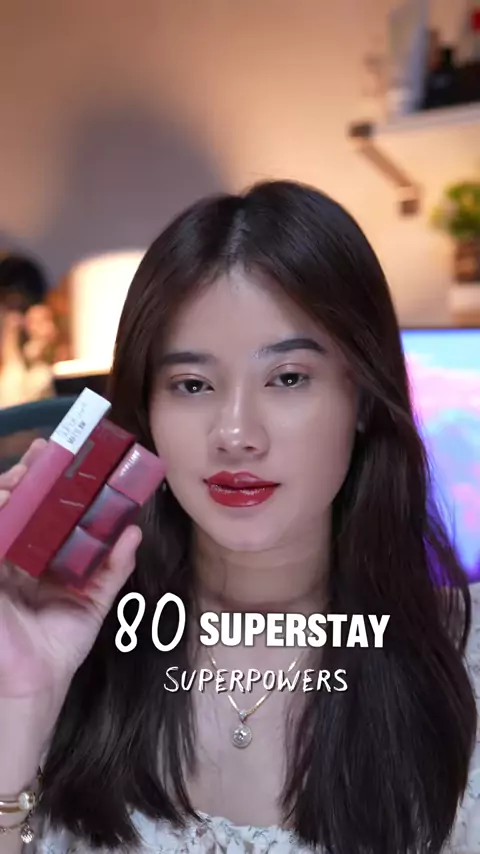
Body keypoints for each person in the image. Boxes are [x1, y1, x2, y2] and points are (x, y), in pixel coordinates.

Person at [0, 180, 478, 854]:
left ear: (363, 397)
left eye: (288, 378)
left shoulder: (464, 661)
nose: (235, 434)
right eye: (192, 385)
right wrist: (20, 708)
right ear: (148, 412)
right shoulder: (65, 641)